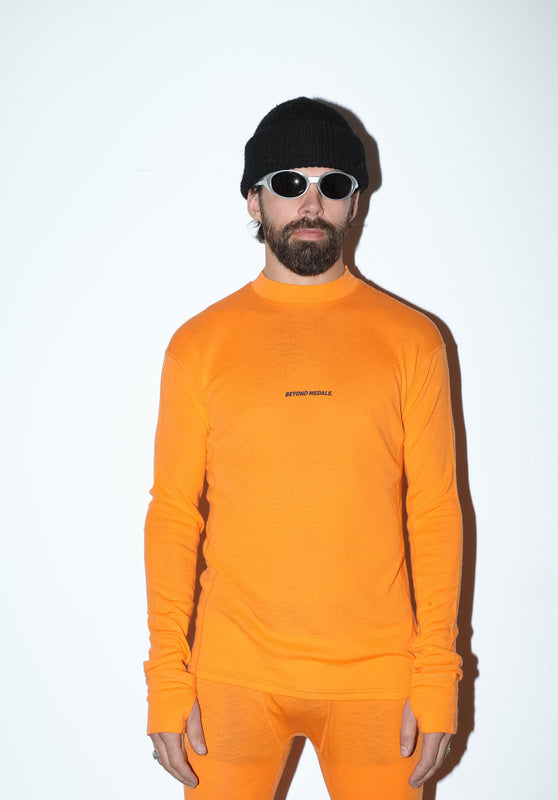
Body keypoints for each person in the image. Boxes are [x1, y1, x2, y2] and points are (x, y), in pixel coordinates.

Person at [143, 97, 463, 800]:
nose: (311, 203)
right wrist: (167, 677)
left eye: (333, 184)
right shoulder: (199, 345)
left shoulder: (412, 341)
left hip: (378, 676)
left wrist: (437, 674)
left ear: (355, 203)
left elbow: (435, 511)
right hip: (232, 675)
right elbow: (173, 515)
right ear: (254, 201)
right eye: (289, 183)